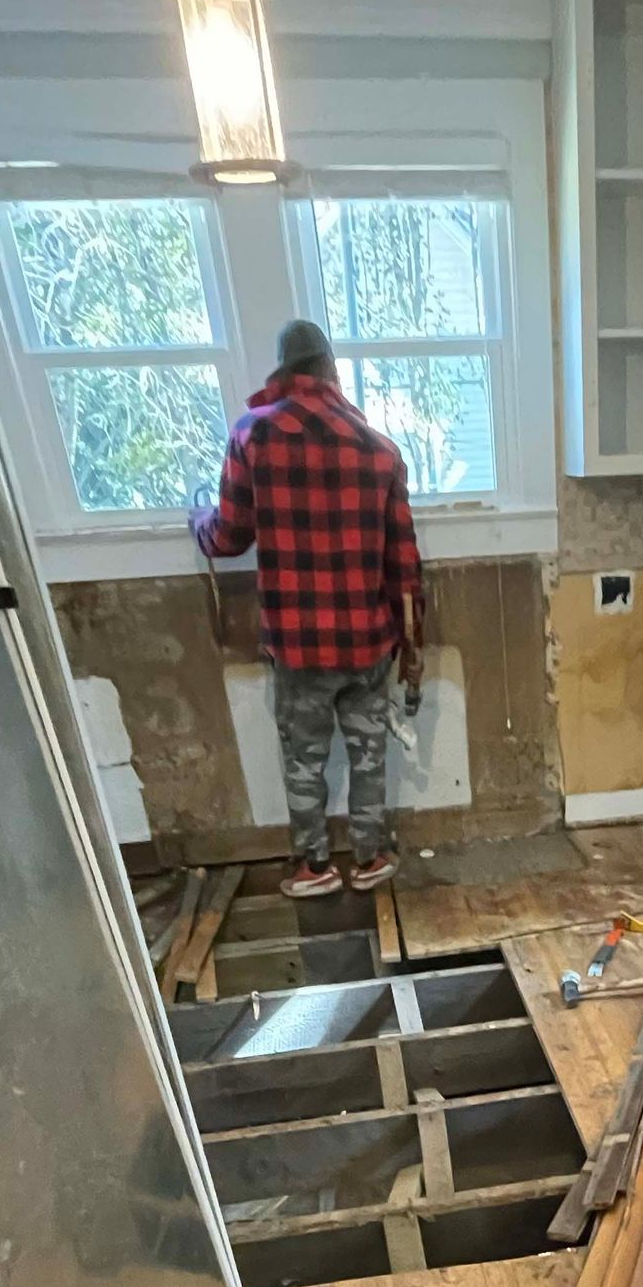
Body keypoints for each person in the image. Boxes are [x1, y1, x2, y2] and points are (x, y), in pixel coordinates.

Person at [195, 318, 424, 897]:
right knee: (370, 754)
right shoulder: (379, 448)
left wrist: (196, 521)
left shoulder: (254, 434)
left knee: (304, 759)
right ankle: (372, 858)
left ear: (283, 372)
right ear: (330, 372)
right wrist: (410, 642)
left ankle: (311, 867)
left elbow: (228, 537)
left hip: (299, 644)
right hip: (368, 640)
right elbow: (405, 563)